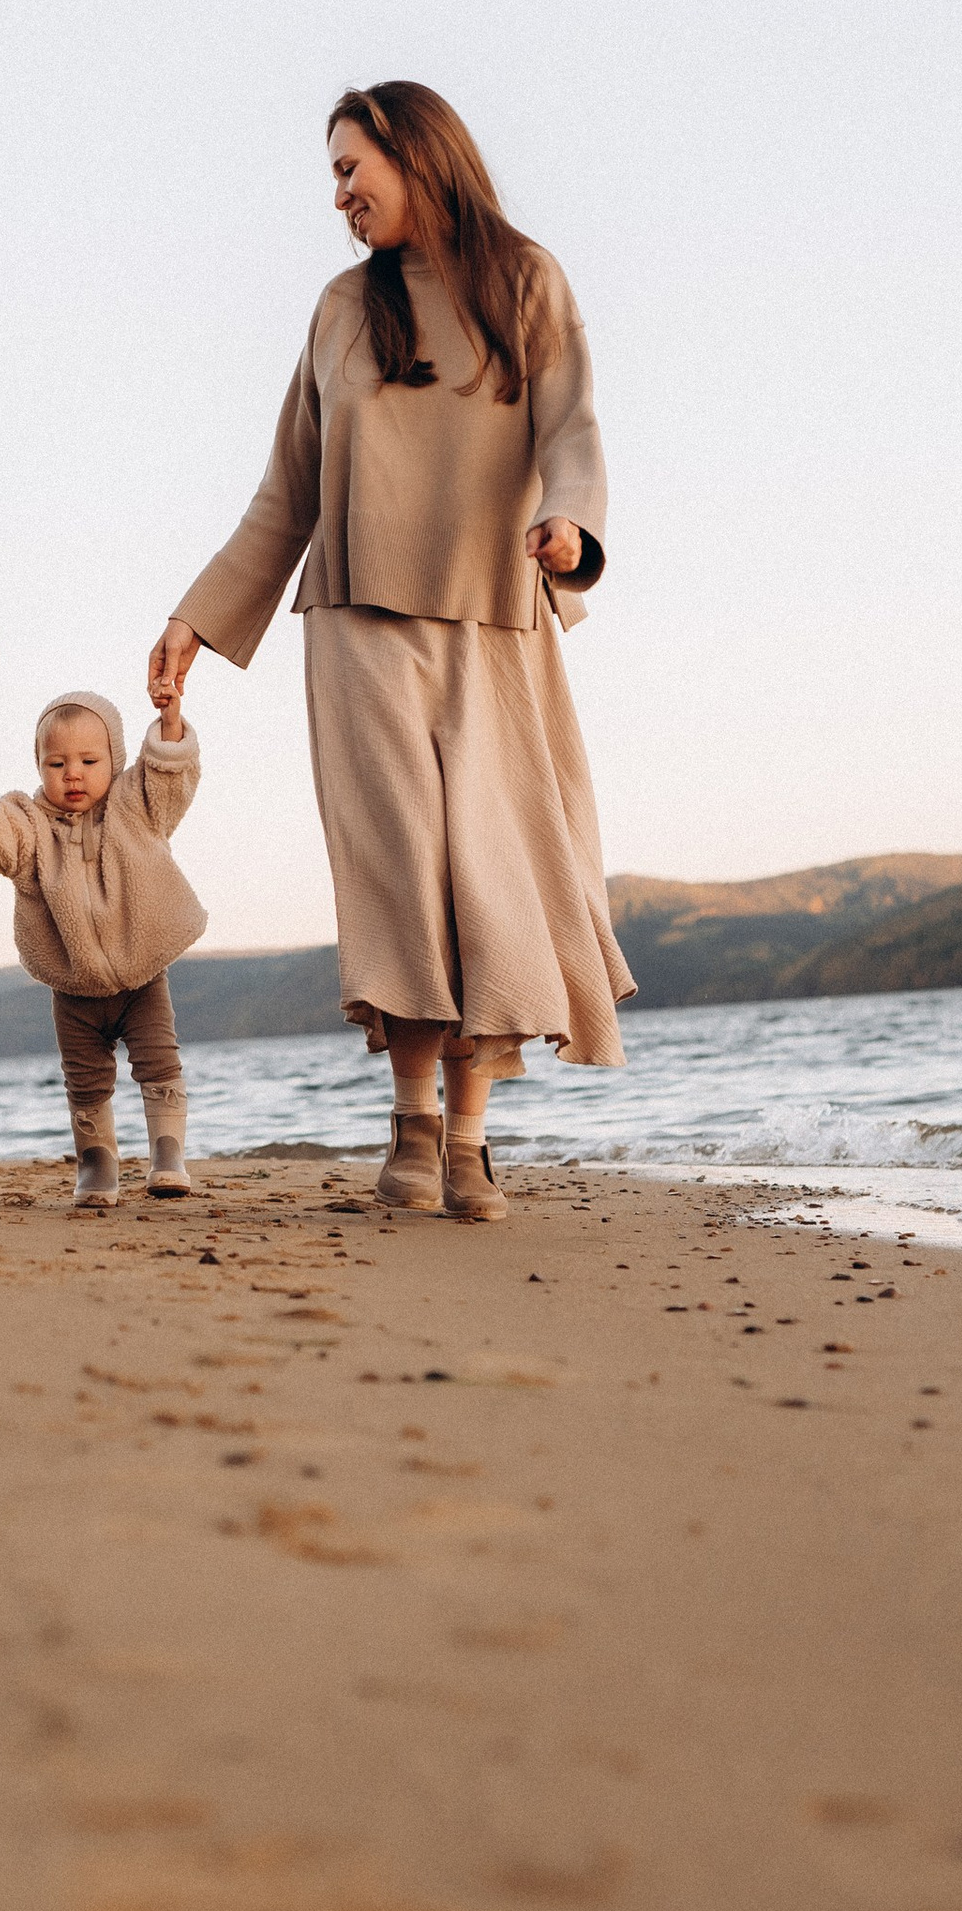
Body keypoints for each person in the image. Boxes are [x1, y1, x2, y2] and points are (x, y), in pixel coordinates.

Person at [148, 79, 632, 1223]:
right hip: (356, 624)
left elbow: (572, 429)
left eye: (348, 169)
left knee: (490, 880)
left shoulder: (527, 281)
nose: (338, 194)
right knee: (400, 878)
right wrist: (198, 619)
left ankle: (469, 1141)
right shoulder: (338, 309)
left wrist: (572, 530)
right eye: (330, 174)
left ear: (416, 157)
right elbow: (289, 491)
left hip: (495, 621)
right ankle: (413, 1130)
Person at [0, 682, 204, 1208]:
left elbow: (169, 778)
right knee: (84, 1080)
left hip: (141, 973)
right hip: (73, 985)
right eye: (56, 764)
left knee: (159, 1062)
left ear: (116, 759)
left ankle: (168, 1153)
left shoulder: (137, 806)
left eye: (88, 759)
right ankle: (96, 1163)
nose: (73, 774)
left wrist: (171, 729)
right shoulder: (31, 824)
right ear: (39, 767)